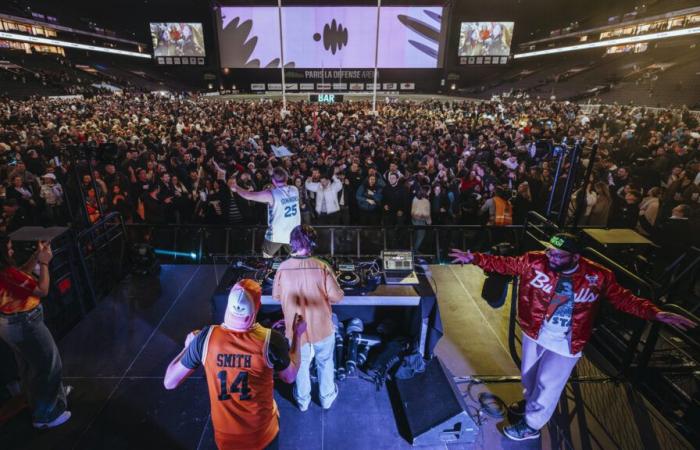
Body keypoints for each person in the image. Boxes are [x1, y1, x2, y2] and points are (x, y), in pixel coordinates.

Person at [449, 233, 696, 441]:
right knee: (530, 377)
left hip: (567, 342)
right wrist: (474, 258)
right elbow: (506, 264)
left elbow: (622, 298)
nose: (551, 258)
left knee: (548, 383)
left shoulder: (598, 275)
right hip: (535, 331)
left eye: (558, 255)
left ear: (576, 257)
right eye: (550, 252)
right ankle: (533, 405)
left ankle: (531, 427)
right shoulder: (534, 261)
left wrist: (655, 313)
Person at [164, 279, 306, 450]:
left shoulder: (205, 338)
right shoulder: (269, 339)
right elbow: (289, 376)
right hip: (263, 435)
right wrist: (298, 335)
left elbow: (169, 382)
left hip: (226, 440)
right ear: (257, 305)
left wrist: (187, 348)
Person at [0, 235, 71, 429]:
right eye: (9, 248)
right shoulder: (6, 274)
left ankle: (47, 398)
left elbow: (21, 273)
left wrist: (36, 257)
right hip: (24, 323)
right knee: (48, 365)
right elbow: (42, 290)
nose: (12, 250)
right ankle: (46, 415)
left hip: (10, 323)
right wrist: (44, 264)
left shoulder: (6, 273)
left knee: (30, 366)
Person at [272, 225, 344, 411]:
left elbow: (276, 296)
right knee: (325, 361)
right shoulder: (322, 267)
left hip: (296, 331)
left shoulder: (282, 268)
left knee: (300, 364)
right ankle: (326, 397)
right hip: (322, 328)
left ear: (292, 244)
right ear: (312, 244)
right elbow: (337, 297)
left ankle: (303, 401)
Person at [232, 167, 300, 258]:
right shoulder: (294, 190)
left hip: (276, 235)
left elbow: (248, 195)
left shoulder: (271, 194)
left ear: (273, 181)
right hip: (293, 234)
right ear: (287, 178)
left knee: (266, 259)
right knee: (297, 259)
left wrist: (235, 187)